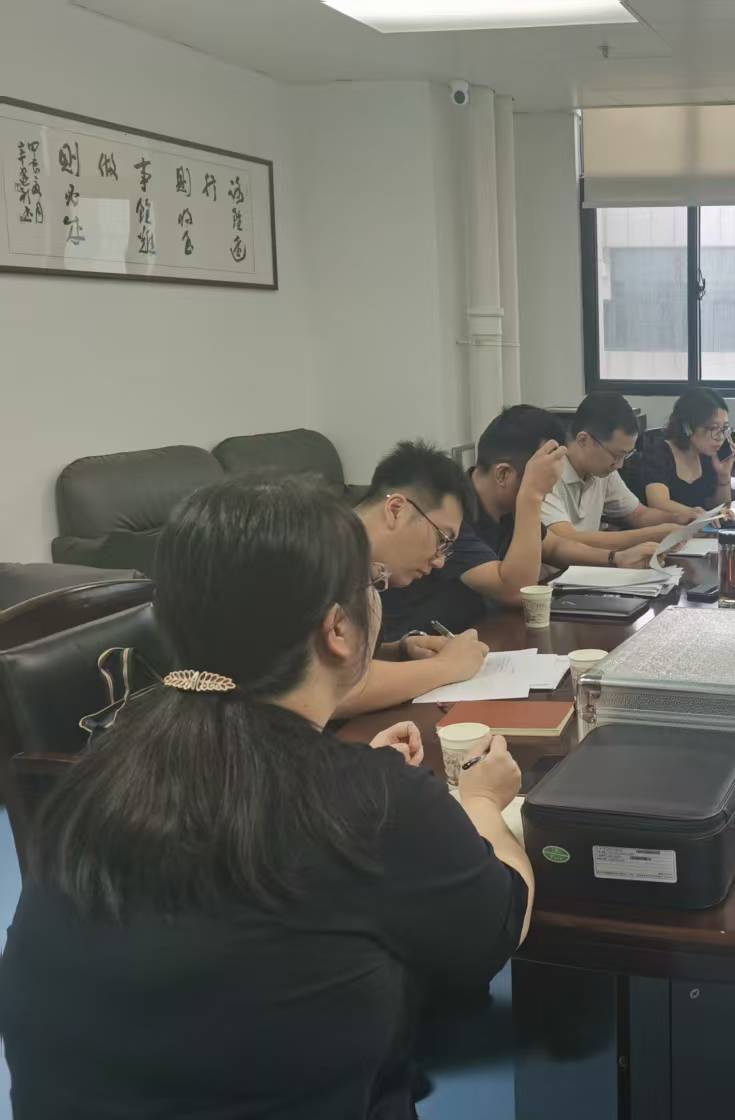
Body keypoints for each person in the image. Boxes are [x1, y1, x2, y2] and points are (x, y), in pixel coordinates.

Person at [0, 475, 533, 1119]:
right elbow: (498, 927)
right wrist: (482, 804)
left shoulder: (97, 771)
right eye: (372, 588)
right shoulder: (374, 803)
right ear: (338, 630)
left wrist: (354, 779)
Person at [378, 407, 659, 638]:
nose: (548, 491)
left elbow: (554, 546)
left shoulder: (508, 508)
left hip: (477, 638)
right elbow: (515, 590)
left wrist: (616, 559)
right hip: (418, 646)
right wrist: (531, 497)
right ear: (503, 474)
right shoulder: (449, 515)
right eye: (544, 481)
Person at [345, 440, 490, 716]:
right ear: (396, 509)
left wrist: (398, 651)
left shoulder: (366, 570)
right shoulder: (318, 558)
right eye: (442, 538)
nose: (439, 561)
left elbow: (338, 660)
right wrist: (446, 667)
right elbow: (331, 690)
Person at [540, 391, 693, 555]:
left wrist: (679, 518)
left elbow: (638, 514)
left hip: (589, 567)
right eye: (616, 455)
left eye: (626, 455)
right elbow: (566, 540)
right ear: (583, 440)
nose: (619, 465)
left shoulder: (603, 471)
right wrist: (650, 535)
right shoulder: (546, 473)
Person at [634, 387, 735, 518]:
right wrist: (695, 514)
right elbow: (658, 503)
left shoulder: (709, 455)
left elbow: (717, 508)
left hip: (699, 530)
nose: (720, 437)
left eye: (724, 428)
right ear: (687, 427)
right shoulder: (659, 451)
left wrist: (724, 477)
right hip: (664, 528)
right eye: (713, 428)